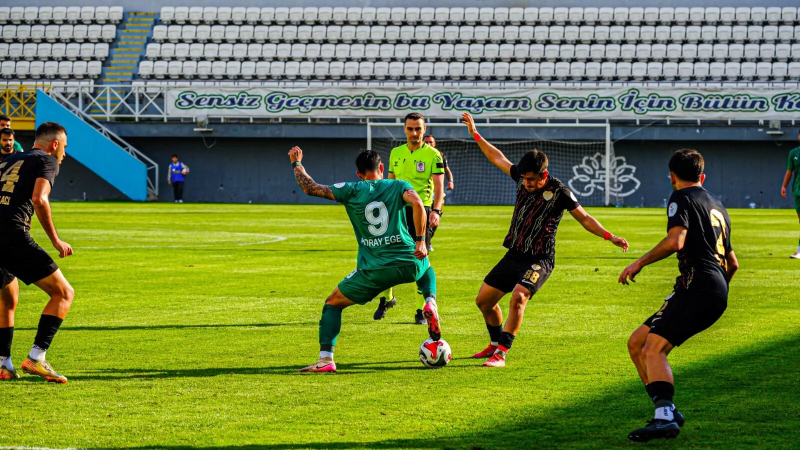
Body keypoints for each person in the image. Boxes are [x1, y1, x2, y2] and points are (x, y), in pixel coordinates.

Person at [460, 112, 629, 368]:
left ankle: (501, 354)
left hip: (540, 259)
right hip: (514, 253)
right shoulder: (521, 178)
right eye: (524, 178)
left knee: (519, 297)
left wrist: (610, 236)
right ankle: (493, 344)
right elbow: (498, 158)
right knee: (484, 301)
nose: (526, 183)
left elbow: (584, 217)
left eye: (531, 179)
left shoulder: (560, 191)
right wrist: (475, 134)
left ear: (543, 175)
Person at [620, 149, 738, 442]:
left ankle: (663, 418)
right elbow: (733, 263)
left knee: (653, 348)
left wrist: (639, 262)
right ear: (702, 177)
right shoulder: (717, 205)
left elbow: (676, 241)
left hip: (697, 286)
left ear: (671, 177)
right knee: (637, 343)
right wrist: (716, 291)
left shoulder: (681, 198)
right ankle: (667, 409)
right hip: (713, 287)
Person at [288, 147, 440, 373]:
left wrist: (296, 163)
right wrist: (420, 241)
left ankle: (326, 359)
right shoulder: (398, 185)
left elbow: (310, 187)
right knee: (426, 266)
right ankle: (430, 301)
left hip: (373, 271)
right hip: (408, 261)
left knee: (332, 303)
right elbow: (418, 204)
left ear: (359, 174)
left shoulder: (351, 189)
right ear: (382, 168)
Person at [0, 122, 75, 383]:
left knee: (7, 300)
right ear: (54, 144)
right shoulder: (47, 160)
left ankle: (3, 364)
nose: (64, 153)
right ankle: (36, 357)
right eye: (64, 146)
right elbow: (39, 199)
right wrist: (56, 240)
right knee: (63, 293)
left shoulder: (9, 160)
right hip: (12, 234)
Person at [373, 112, 445, 325]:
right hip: (397, 211)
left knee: (419, 257)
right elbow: (390, 183)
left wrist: (436, 211)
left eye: (418, 129)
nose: (414, 133)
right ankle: (387, 298)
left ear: (424, 129)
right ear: (404, 129)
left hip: (421, 212)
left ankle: (421, 310)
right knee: (388, 254)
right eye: (411, 129)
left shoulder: (434, 155)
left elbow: (439, 186)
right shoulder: (396, 153)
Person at [780, 130, 800, 258]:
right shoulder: (793, 153)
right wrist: (784, 186)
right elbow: (789, 171)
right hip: (797, 190)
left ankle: (799, 250)